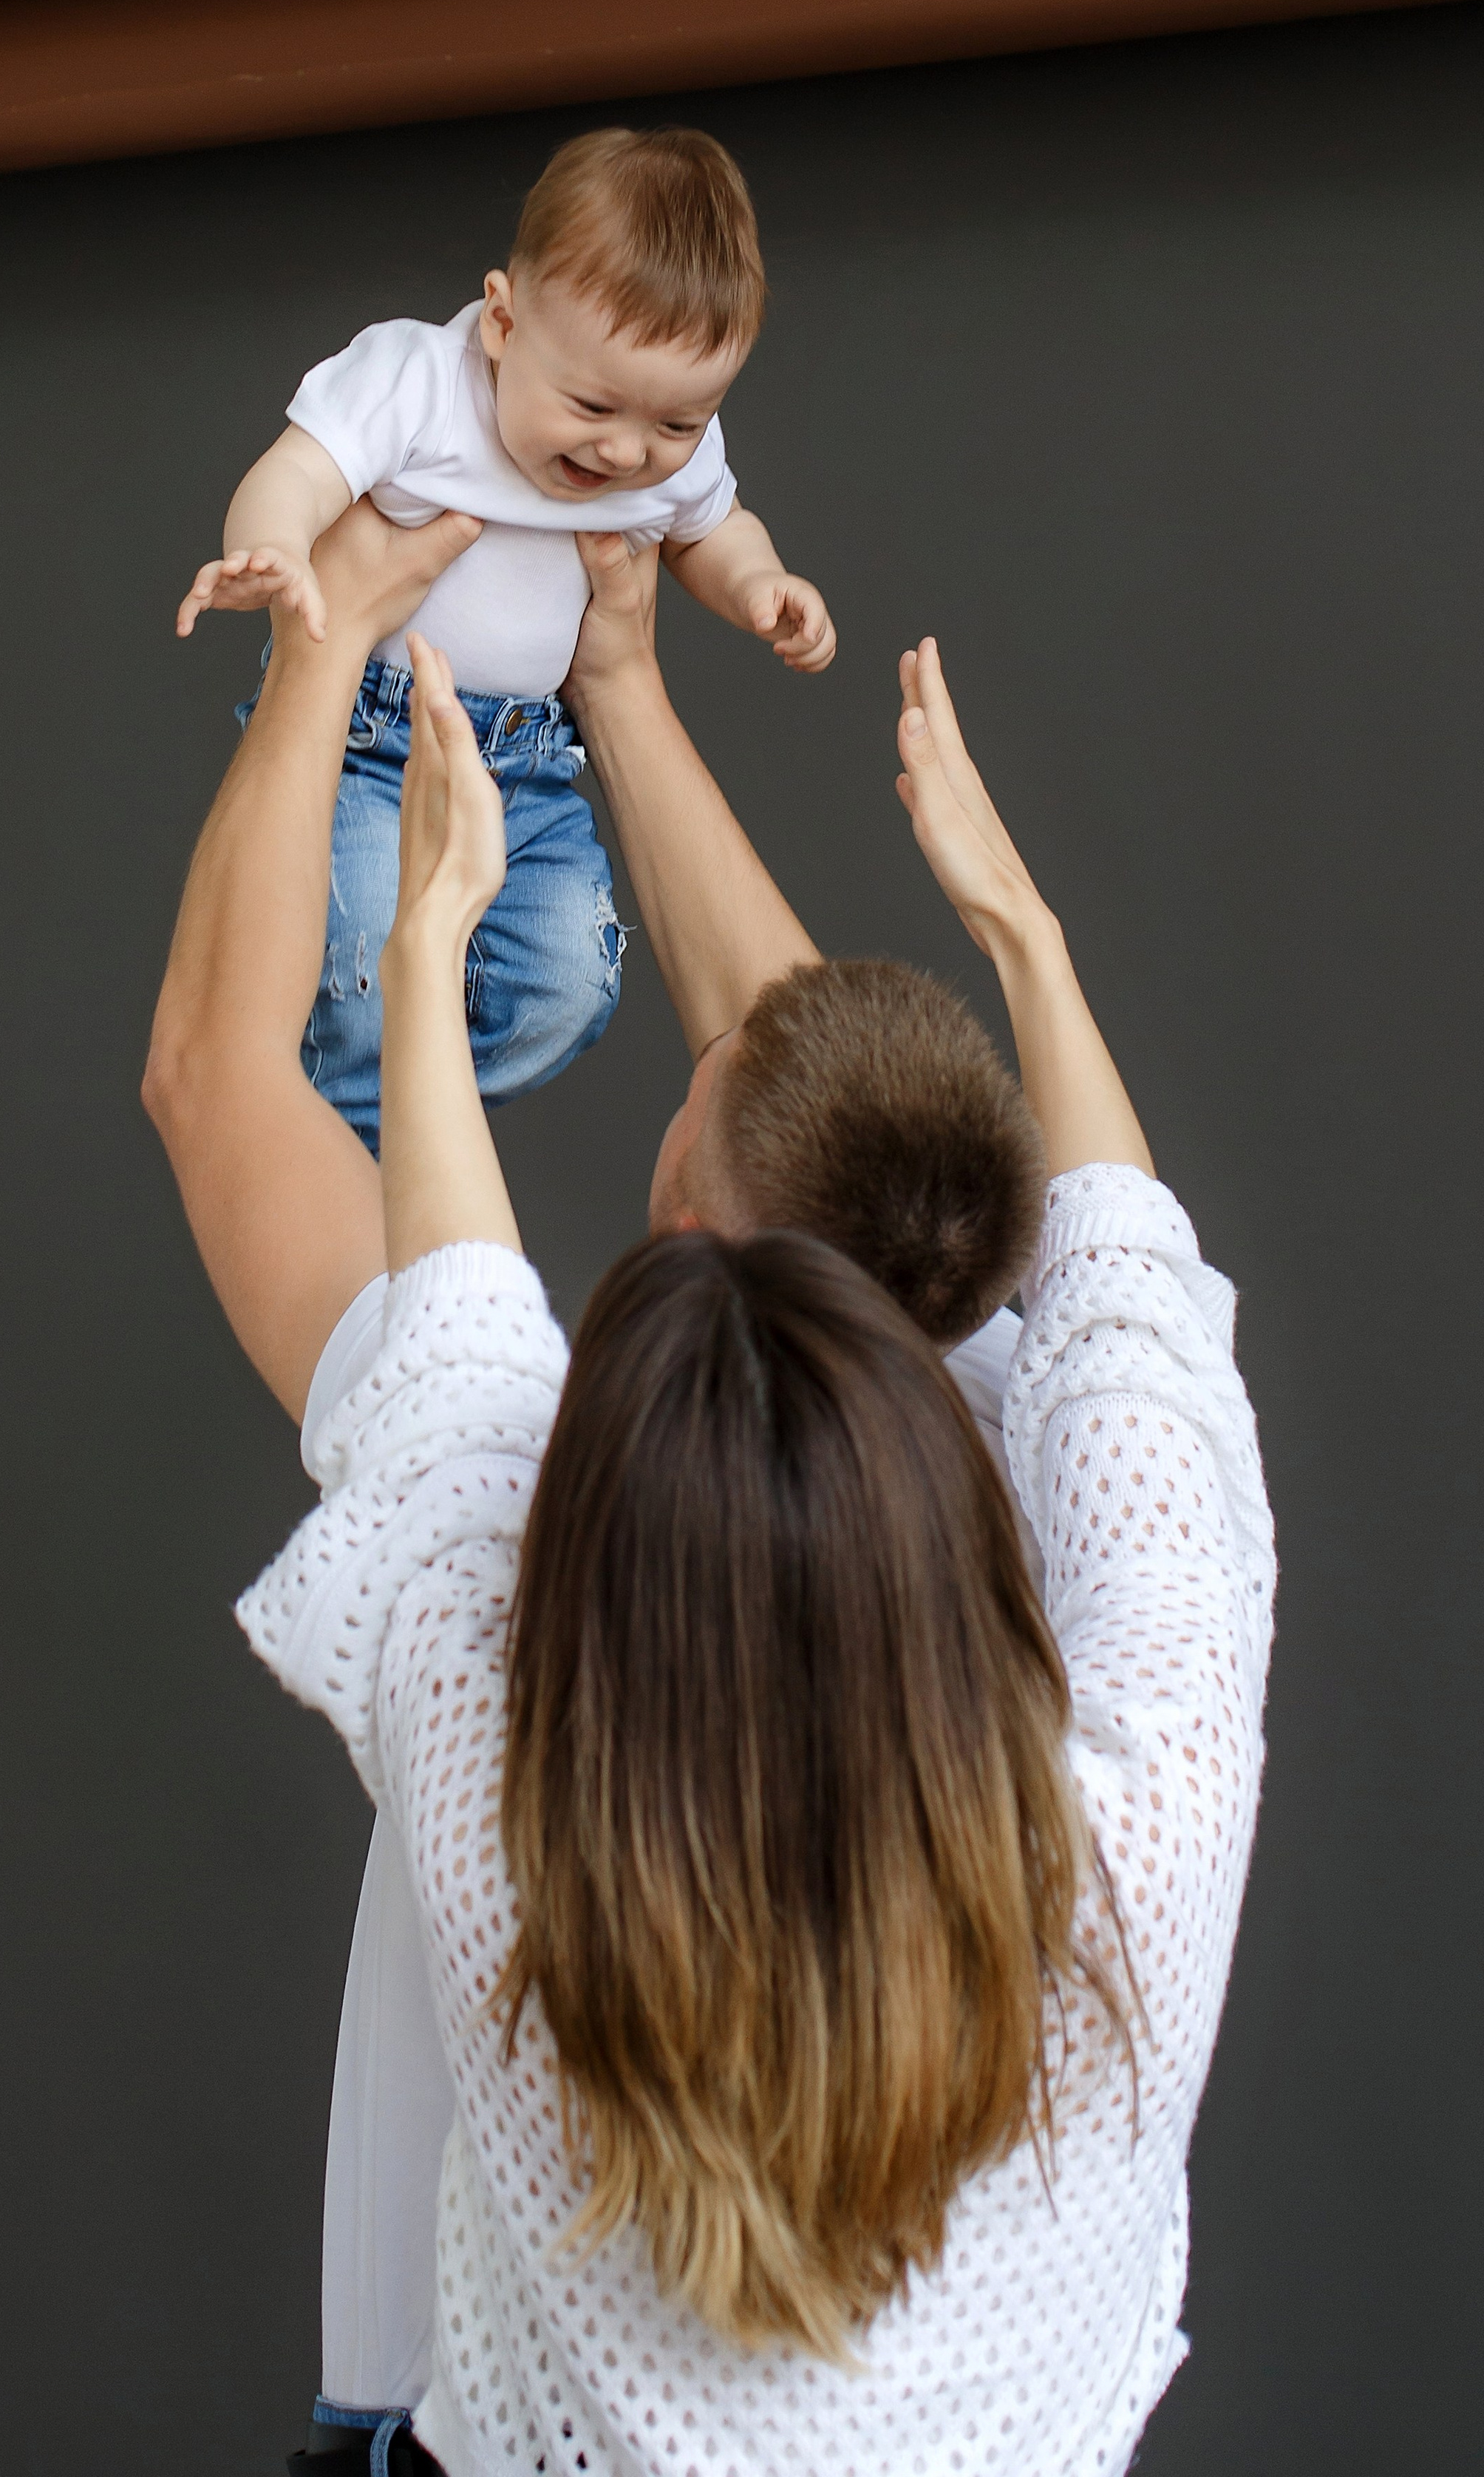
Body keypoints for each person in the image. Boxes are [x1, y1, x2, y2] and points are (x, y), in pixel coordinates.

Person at [144, 509, 1274, 2474]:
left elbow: (233, 1095)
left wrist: (358, 728)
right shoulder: (1141, 1827)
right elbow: (1117, 1328)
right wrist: (1028, 944)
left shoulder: (505, 1766)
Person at [171, 129, 834, 1146]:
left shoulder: (666, 456)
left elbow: (714, 529)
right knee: (357, 960)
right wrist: (273, 548)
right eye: (592, 405)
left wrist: (762, 585)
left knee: (570, 975)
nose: (625, 452)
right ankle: (337, 1158)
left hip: (529, 764)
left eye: (676, 425)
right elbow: (301, 472)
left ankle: (412, 1131)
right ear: (502, 319)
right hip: (367, 743)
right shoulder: (419, 382)